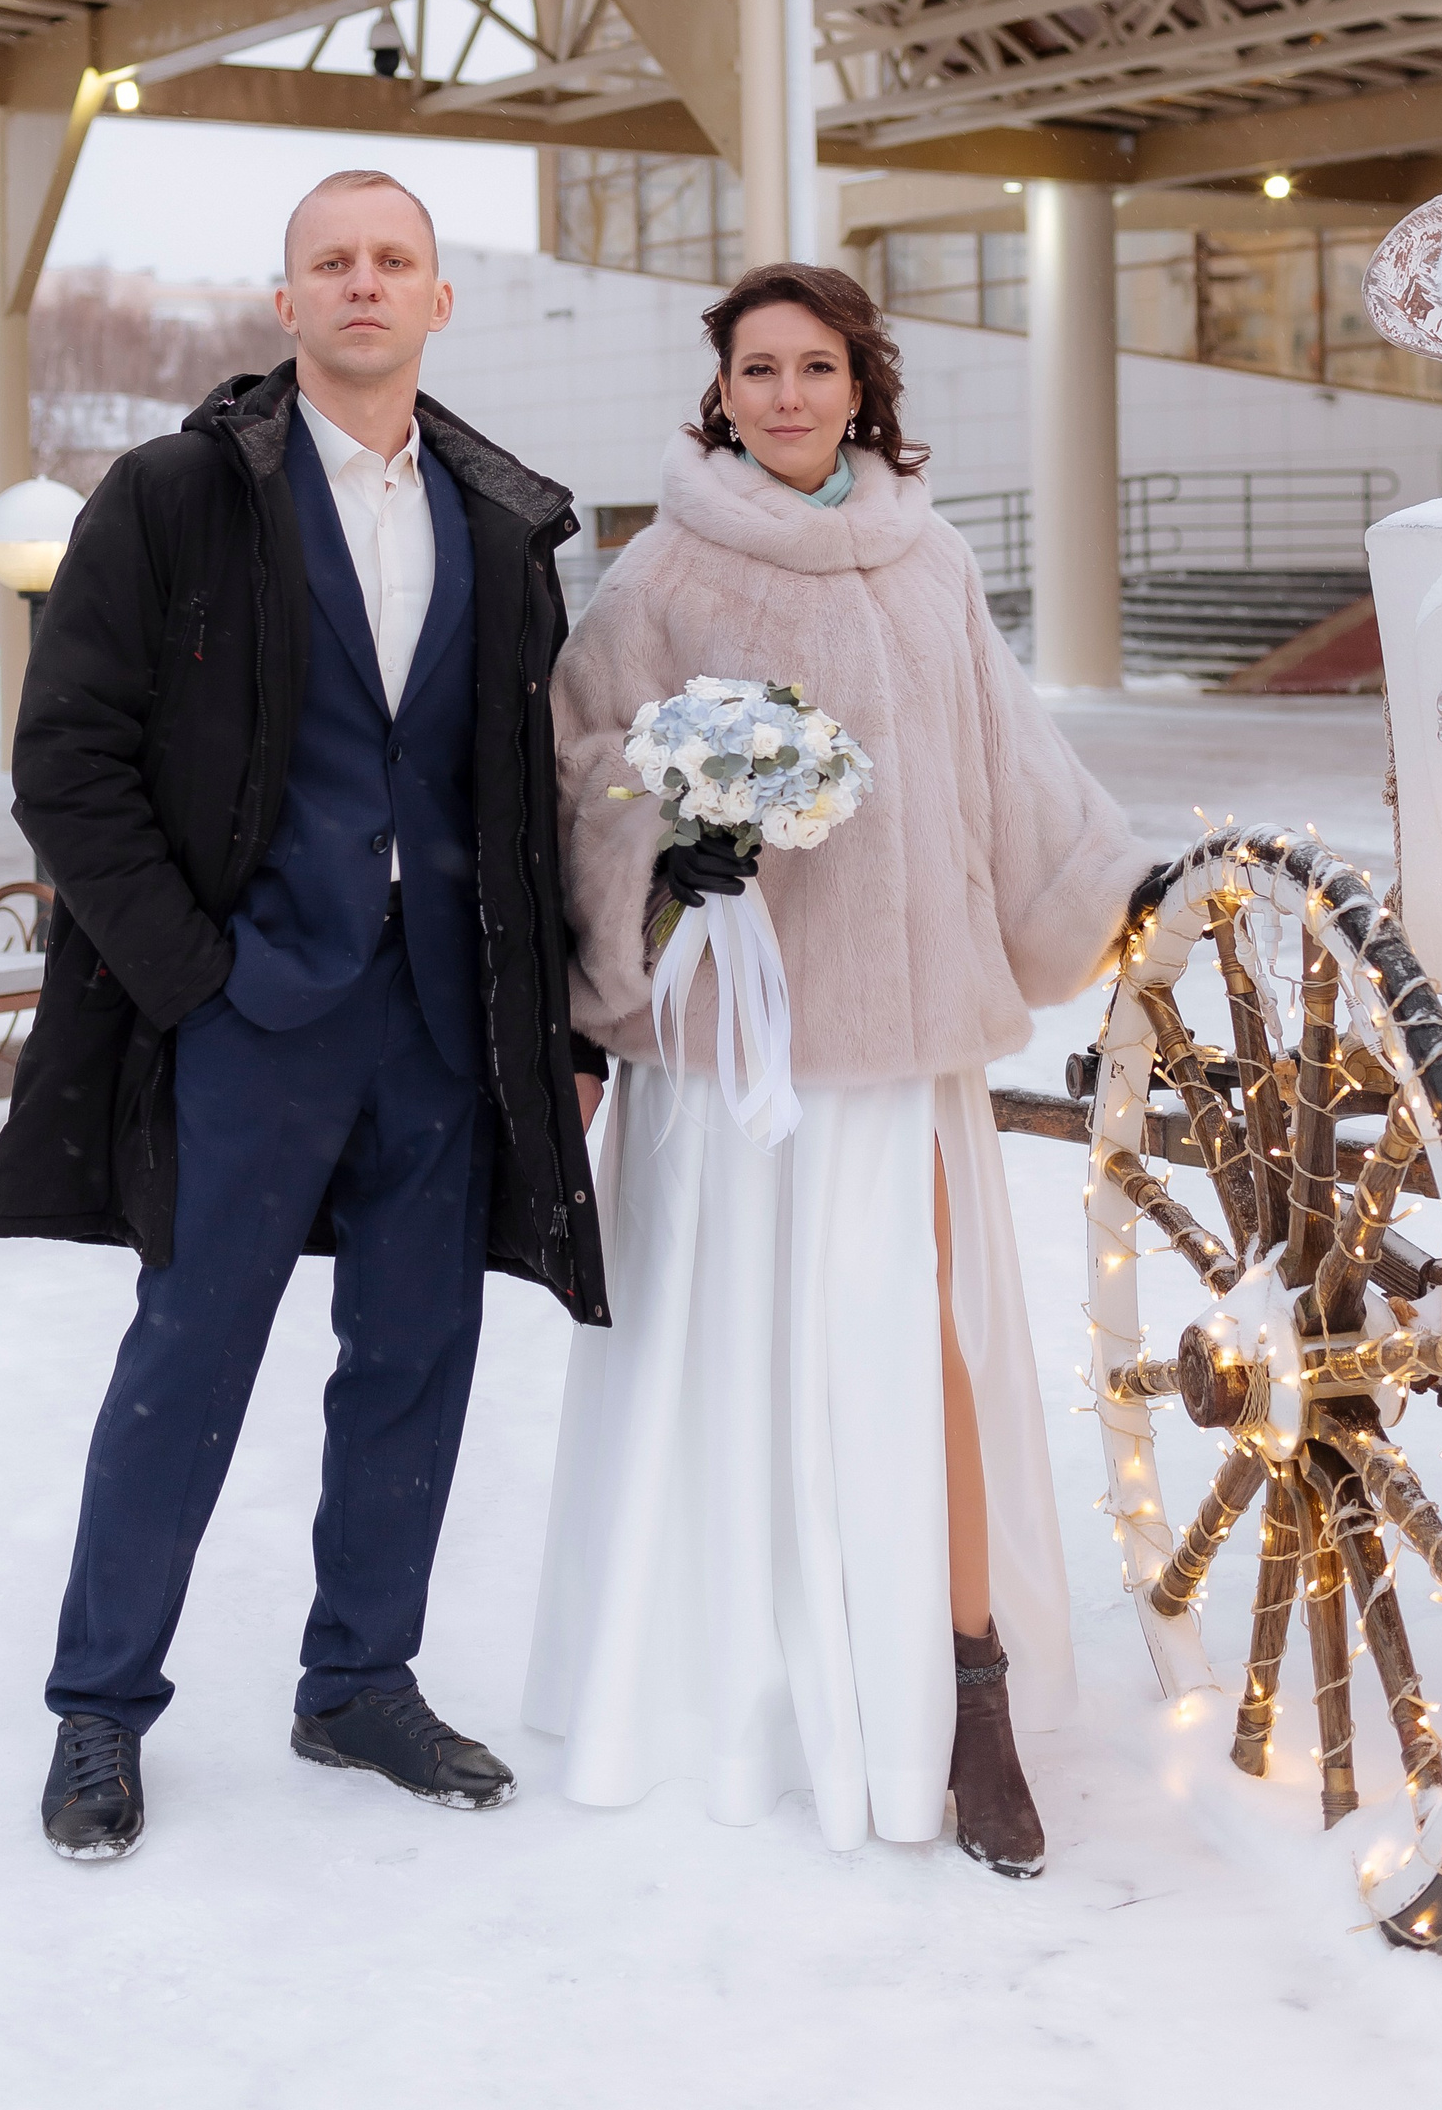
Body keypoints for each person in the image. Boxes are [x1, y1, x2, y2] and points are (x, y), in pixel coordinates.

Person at [0, 169, 608, 1863]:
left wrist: (563, 1026)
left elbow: (533, 794)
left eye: (394, 259)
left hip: (442, 1017)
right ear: (287, 301)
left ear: (439, 299)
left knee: (416, 1355)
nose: (363, 282)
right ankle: (101, 1705)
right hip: (250, 1009)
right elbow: (68, 761)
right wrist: (193, 973)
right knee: (189, 1355)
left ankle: (360, 1679)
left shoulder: (499, 517)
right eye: (333, 260)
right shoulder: (179, 493)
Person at [528, 262, 1151, 1874]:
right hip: (735, 1046)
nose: (789, 394)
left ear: (860, 385)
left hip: (901, 1039)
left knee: (915, 1350)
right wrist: (670, 850)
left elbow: (1006, 752)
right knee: (732, 1348)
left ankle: (966, 1689)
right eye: (760, 369)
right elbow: (583, 763)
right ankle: (738, 1679)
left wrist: (1104, 885)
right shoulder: (662, 569)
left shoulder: (927, 555)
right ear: (721, 392)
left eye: (817, 366)